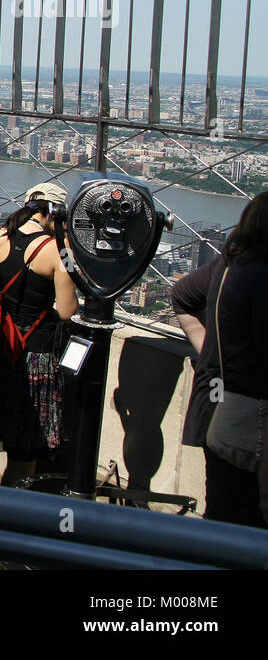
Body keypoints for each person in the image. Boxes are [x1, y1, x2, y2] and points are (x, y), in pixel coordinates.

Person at [0, 183, 78, 487]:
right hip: (34, 351)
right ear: (55, 213)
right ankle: (12, 499)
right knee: (26, 435)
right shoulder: (58, 250)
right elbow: (68, 310)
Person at [172, 192, 268, 527]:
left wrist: (210, 352)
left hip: (218, 408)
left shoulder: (228, 265)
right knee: (252, 519)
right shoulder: (262, 277)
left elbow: (181, 294)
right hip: (252, 419)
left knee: (222, 513)